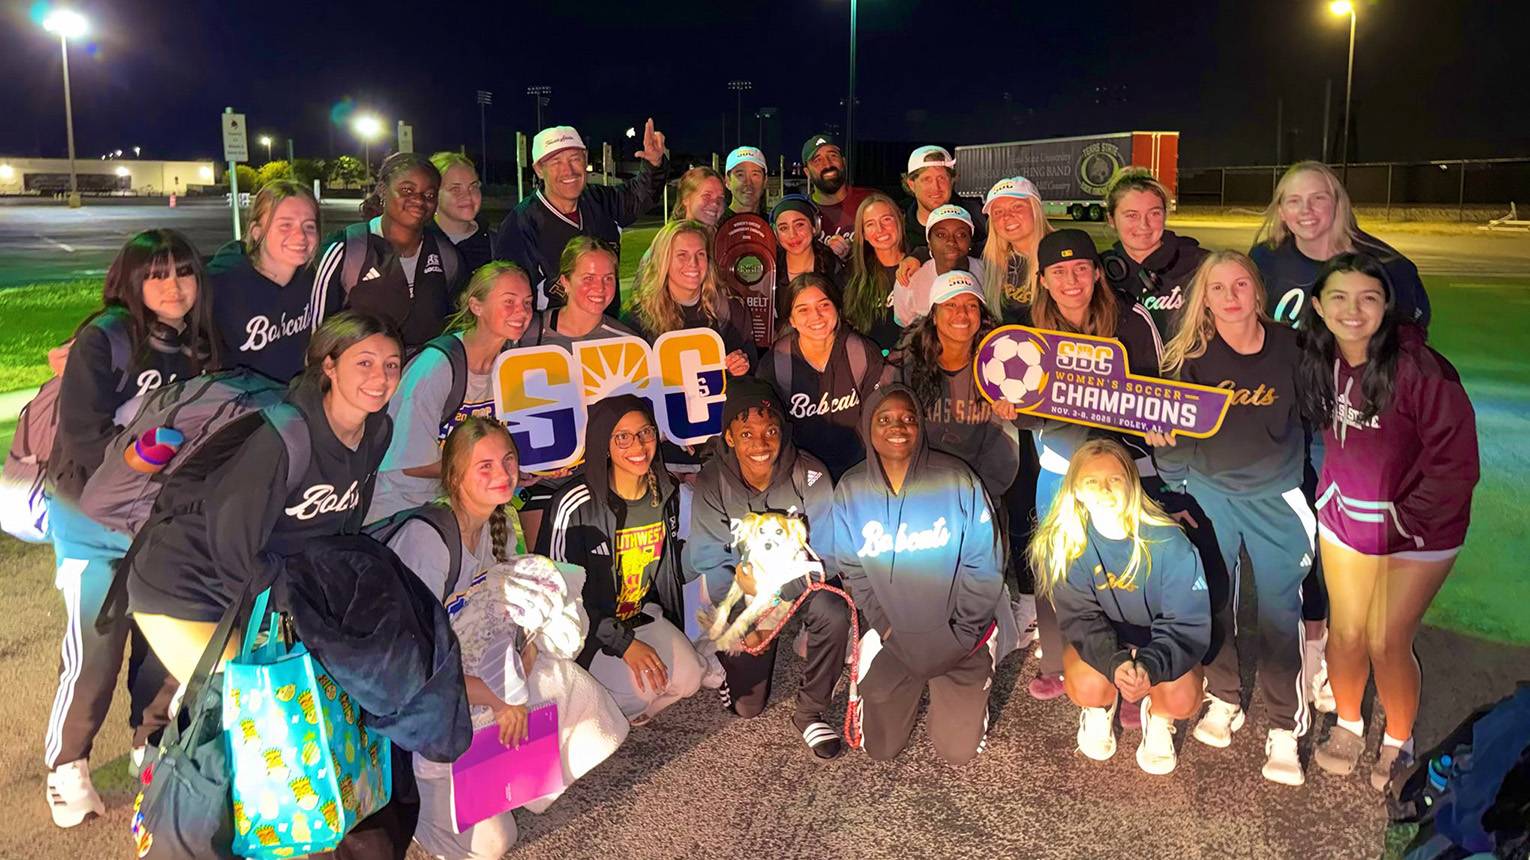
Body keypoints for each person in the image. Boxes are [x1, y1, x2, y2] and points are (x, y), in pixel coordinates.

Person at [388, 418, 627, 860]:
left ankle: (502, 776)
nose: (502, 473)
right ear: (455, 475)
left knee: (569, 687)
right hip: (428, 708)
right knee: (498, 842)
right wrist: (498, 701)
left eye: (508, 460)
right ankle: (424, 814)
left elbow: (505, 612)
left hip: (476, 676)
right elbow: (414, 666)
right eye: (484, 465)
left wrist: (526, 650)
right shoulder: (429, 539)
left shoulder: (497, 523)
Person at [43, 229, 217, 828]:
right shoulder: (107, 337)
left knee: (162, 637)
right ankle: (68, 766)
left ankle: (152, 739)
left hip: (159, 521)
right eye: (158, 274)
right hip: (91, 516)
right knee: (95, 647)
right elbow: (83, 437)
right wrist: (149, 464)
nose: (173, 287)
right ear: (133, 280)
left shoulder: (198, 346)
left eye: (184, 273)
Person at [127, 312, 401, 684]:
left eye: (391, 365)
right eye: (364, 362)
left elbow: (338, 535)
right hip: (187, 583)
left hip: (255, 593)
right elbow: (229, 545)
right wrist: (290, 602)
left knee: (291, 708)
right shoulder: (286, 436)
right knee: (237, 705)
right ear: (330, 367)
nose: (380, 377)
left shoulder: (376, 432)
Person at [1296, 254, 1478, 790]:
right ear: (1318, 307)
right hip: (1346, 513)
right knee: (1347, 632)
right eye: (1339, 298)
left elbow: (1456, 465)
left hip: (1419, 526)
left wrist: (1405, 521)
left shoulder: (1422, 368)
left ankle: (1400, 739)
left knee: (1386, 637)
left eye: (1368, 298)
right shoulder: (1314, 358)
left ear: (1387, 307)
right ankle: (1349, 722)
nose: (1354, 311)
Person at [1147, 251, 1313, 785]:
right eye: (1217, 288)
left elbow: (1318, 424)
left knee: (1278, 614)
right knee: (1214, 601)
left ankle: (1285, 724)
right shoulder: (1191, 359)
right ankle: (1225, 696)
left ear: (1257, 292)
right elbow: (1174, 459)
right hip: (1211, 496)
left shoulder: (1293, 350)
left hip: (1275, 499)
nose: (1230, 296)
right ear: (1205, 298)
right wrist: (1166, 449)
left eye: (1240, 283)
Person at [1023, 229, 1163, 702]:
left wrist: (1157, 423)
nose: (1071, 280)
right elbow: (1023, 405)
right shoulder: (1029, 331)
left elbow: (1154, 393)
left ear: (1097, 272)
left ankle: (1130, 670)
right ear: (1042, 280)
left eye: (1081, 268)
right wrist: (1009, 407)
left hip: (1118, 467)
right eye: (1058, 272)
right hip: (1060, 464)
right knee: (1056, 561)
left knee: (1123, 565)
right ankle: (1062, 661)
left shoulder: (1130, 320)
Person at [833, 384, 1003, 765]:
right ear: (868, 427)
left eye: (909, 419)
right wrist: (887, 628)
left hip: (962, 637)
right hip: (896, 636)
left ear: (921, 426)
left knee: (958, 752)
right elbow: (854, 570)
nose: (899, 427)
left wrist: (962, 633)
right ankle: (880, 664)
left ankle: (975, 688)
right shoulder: (851, 490)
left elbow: (985, 565)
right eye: (886, 419)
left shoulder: (957, 479)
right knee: (881, 748)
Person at [683, 380, 851, 760]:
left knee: (834, 611)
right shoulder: (712, 480)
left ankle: (810, 711)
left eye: (770, 431)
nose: (760, 444)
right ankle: (731, 662)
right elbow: (709, 559)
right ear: (729, 436)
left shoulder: (810, 473)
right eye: (747, 433)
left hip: (800, 583)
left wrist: (772, 611)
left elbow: (831, 554)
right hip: (743, 588)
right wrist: (745, 618)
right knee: (747, 707)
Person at [1029, 439, 1211, 775]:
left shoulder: (1170, 542)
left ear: (1132, 483)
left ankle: (1159, 717)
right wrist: (1114, 663)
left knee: (1184, 698)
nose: (1104, 491)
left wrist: (1151, 666)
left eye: (1115, 480)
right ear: (1076, 491)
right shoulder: (1069, 542)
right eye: (1091, 482)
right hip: (1109, 637)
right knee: (1084, 684)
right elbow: (1080, 619)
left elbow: (1186, 622)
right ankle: (1101, 706)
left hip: (1156, 638)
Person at [538, 395, 706, 723]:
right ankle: (591, 703)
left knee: (690, 679)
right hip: (589, 629)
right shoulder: (573, 504)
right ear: (604, 444)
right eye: (622, 437)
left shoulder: (665, 493)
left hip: (640, 615)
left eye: (645, 433)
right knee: (636, 690)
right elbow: (559, 595)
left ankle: (623, 707)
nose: (638, 445)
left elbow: (669, 570)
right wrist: (625, 645)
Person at [368, 262, 535, 522]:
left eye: (527, 302)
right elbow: (412, 464)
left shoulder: (510, 365)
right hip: (400, 508)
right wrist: (497, 471)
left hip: (455, 507)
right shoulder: (437, 365)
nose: (522, 312)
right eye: (508, 301)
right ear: (476, 305)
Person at [516, 237, 639, 550]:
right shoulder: (529, 335)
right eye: (588, 278)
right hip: (542, 480)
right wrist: (517, 464)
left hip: (601, 479)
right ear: (564, 282)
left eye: (608, 278)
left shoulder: (627, 342)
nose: (600, 287)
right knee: (547, 574)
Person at [495, 121, 670, 312]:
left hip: (606, 327)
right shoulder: (520, 224)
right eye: (556, 162)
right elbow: (509, 297)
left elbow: (641, 195)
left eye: (574, 159)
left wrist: (654, 163)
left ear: (585, 159)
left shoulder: (601, 201)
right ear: (539, 169)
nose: (568, 170)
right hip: (551, 337)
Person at [312, 152, 465, 351]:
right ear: (383, 191)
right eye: (407, 190)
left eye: (429, 195)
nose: (419, 200)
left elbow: (456, 323)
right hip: (364, 378)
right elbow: (318, 332)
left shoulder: (446, 255)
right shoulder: (347, 249)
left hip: (424, 378)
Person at [1252, 160, 1430, 329]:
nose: (1306, 209)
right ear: (1281, 211)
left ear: (1338, 203)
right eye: (1294, 201)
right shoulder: (1265, 259)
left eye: (1318, 198)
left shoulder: (1389, 267)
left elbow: (1408, 342)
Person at [890, 271, 1018, 501]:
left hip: (978, 494)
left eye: (971, 305)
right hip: (915, 491)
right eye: (950, 305)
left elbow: (1003, 450)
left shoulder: (999, 369)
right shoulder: (905, 365)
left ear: (981, 315)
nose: (962, 313)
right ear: (934, 316)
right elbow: (890, 435)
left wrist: (977, 494)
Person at [757, 274, 884, 480]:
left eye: (824, 305)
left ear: (837, 308)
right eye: (803, 310)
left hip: (857, 471)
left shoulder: (862, 352)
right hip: (799, 474)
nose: (816, 316)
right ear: (792, 319)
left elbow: (880, 417)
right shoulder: (777, 362)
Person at [210, 179, 320, 381]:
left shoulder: (315, 281)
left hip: (293, 404)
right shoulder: (221, 283)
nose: (301, 236)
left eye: (309, 226)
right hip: (242, 406)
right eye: (285, 225)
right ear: (256, 231)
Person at [629, 219, 755, 374]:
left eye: (700, 254)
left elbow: (750, 371)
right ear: (663, 261)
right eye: (682, 255)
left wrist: (739, 365)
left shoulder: (731, 309)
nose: (693, 263)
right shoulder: (640, 318)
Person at [1099, 167, 1208, 335]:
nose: (1144, 225)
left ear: (1165, 215)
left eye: (1154, 213)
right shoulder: (1098, 273)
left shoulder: (1201, 265)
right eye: (1131, 215)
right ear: (1111, 219)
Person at [893, 204, 987, 326]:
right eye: (941, 235)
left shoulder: (987, 274)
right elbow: (904, 328)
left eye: (961, 235)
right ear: (929, 243)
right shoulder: (909, 279)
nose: (951, 242)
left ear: (970, 241)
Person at [978, 176, 1054, 324]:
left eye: (1017, 206)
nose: (1007, 216)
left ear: (1035, 208)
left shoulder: (1062, 252)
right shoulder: (989, 261)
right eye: (998, 212)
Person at [841, 193, 908, 352]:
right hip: (871, 367)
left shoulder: (918, 266)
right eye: (870, 224)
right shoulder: (854, 274)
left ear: (899, 220)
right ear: (863, 233)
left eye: (886, 219)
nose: (880, 229)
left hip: (913, 367)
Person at [770, 195, 845, 324]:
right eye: (783, 228)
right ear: (776, 234)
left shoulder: (833, 267)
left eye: (799, 225)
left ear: (814, 226)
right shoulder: (769, 270)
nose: (792, 234)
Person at [801, 133, 873, 259]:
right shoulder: (801, 212)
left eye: (833, 156)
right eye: (818, 160)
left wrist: (856, 249)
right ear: (807, 172)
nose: (828, 165)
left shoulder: (870, 201)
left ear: (843, 162)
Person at [900, 144, 985, 248]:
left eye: (941, 178)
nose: (936, 187)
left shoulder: (977, 215)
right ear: (912, 184)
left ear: (952, 180)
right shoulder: (899, 226)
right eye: (927, 179)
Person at [430, 151, 496, 281]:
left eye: (473, 186)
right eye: (455, 189)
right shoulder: (417, 243)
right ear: (433, 194)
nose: (468, 196)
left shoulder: (496, 245)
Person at [668, 165, 727, 230]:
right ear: (686, 198)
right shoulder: (680, 237)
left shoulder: (724, 235)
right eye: (707, 196)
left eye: (720, 198)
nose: (715, 203)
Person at [722, 145, 768, 221]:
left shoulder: (773, 227)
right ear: (727, 181)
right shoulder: (714, 226)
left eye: (755, 174)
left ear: (765, 180)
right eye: (740, 175)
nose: (748, 183)